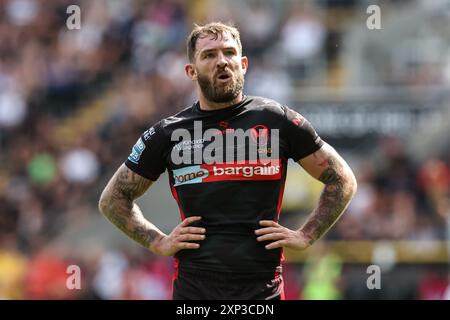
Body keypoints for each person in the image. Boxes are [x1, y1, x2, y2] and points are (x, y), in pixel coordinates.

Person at [98, 22, 357, 300]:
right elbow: (113, 199)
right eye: (209, 55)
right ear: (191, 71)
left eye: (229, 53)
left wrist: (307, 234)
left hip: (262, 289)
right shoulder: (168, 133)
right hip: (196, 289)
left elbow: (341, 178)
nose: (222, 61)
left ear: (243, 63)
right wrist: (158, 241)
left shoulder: (278, 120)